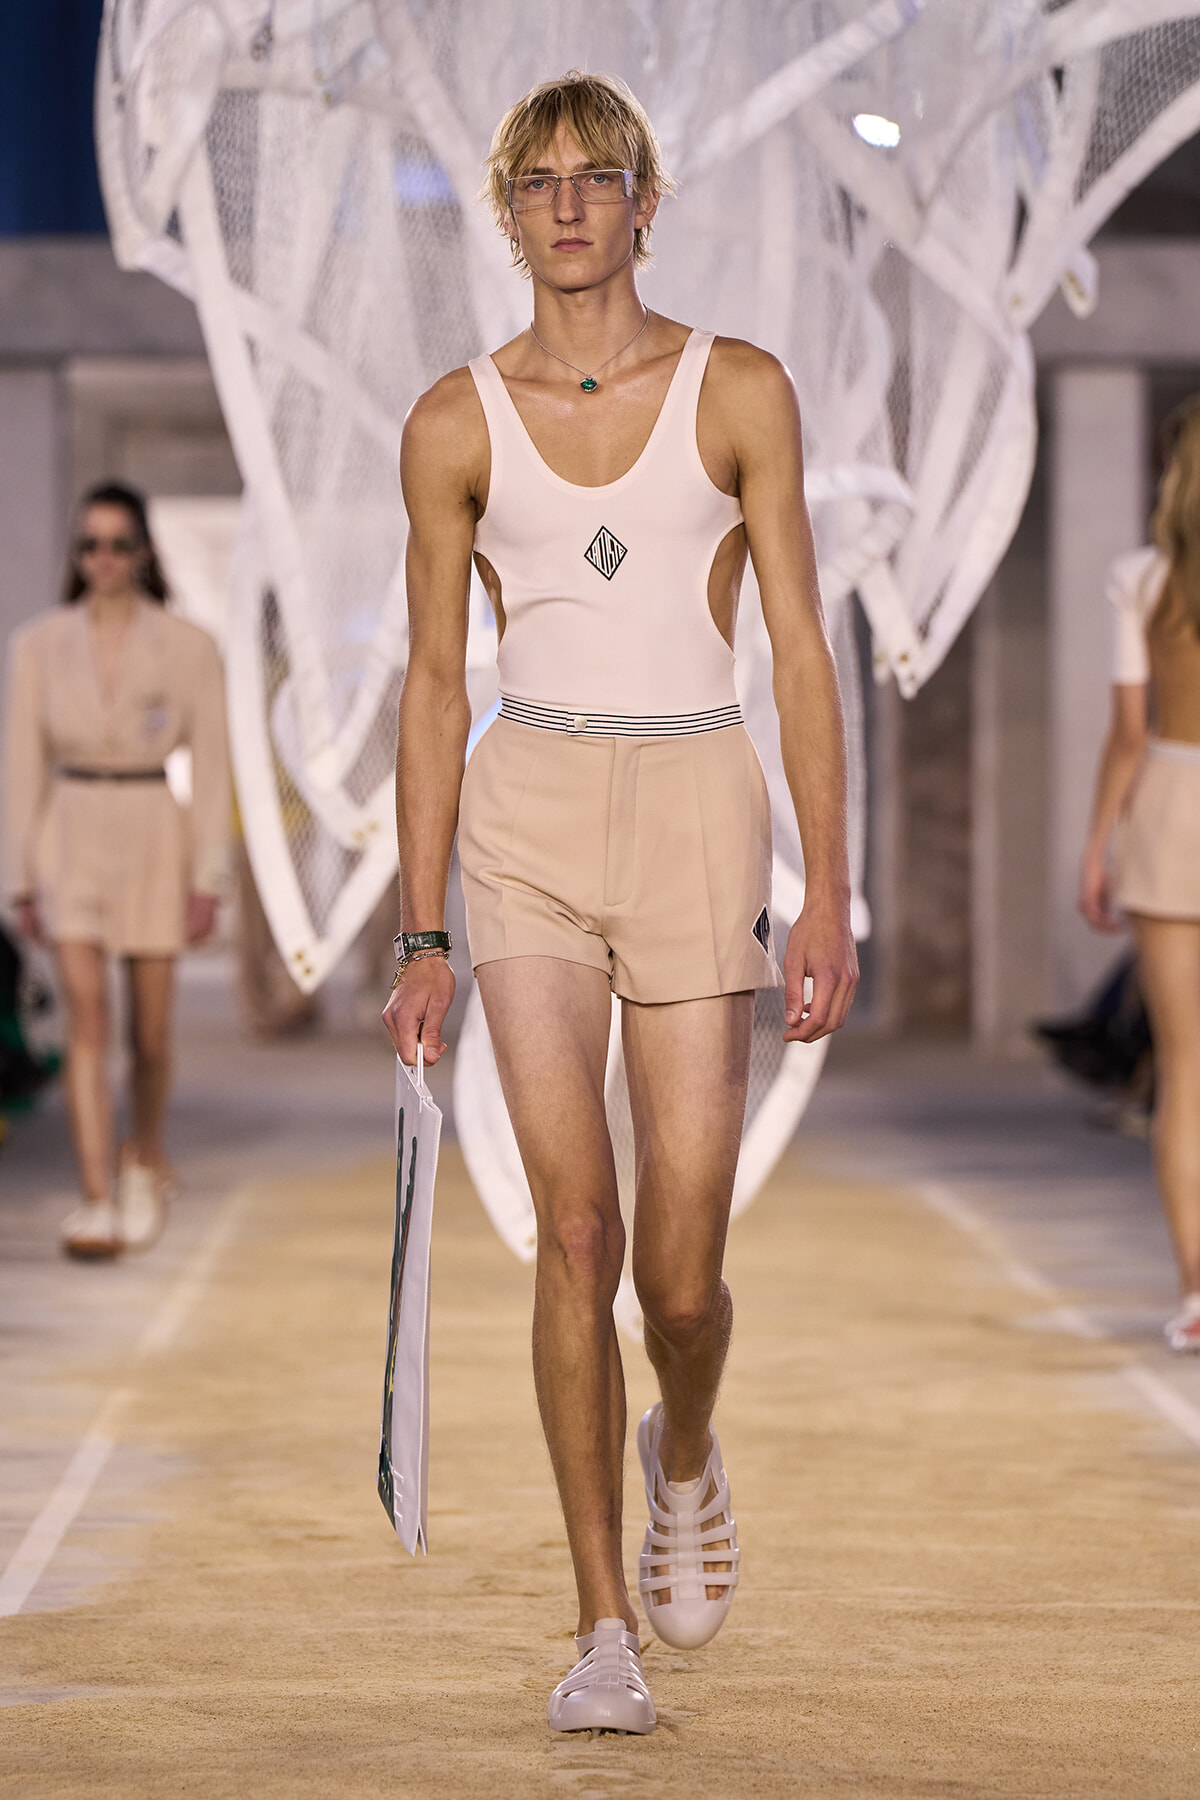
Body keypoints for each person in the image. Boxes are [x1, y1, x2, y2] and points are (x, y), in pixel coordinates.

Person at [383, 71, 858, 1733]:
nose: (571, 204)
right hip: (523, 816)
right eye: (542, 181)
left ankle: (689, 1445)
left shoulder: (741, 391)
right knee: (570, 1232)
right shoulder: (454, 422)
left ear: (646, 204)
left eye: (601, 179)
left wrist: (827, 893)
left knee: (679, 1276)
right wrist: (424, 923)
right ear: (508, 212)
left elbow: (800, 650)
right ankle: (602, 1627)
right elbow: (434, 684)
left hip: (696, 802)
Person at [2, 481, 229, 1259]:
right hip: (68, 830)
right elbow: (20, 766)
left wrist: (210, 877)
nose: (103, 557)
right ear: (78, 555)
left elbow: (215, 763)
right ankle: (96, 1195)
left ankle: (147, 1150)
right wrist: (17, 880)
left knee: (153, 1031)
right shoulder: (36, 646)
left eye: (118, 543)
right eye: (90, 544)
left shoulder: (190, 646)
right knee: (88, 1017)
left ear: (142, 553)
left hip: (151, 828)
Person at [1081, 397, 1200, 1352]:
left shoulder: (1143, 580)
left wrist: (1096, 850)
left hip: (1169, 805)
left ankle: (1199, 1293)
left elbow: (1129, 733)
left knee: (1186, 1075)